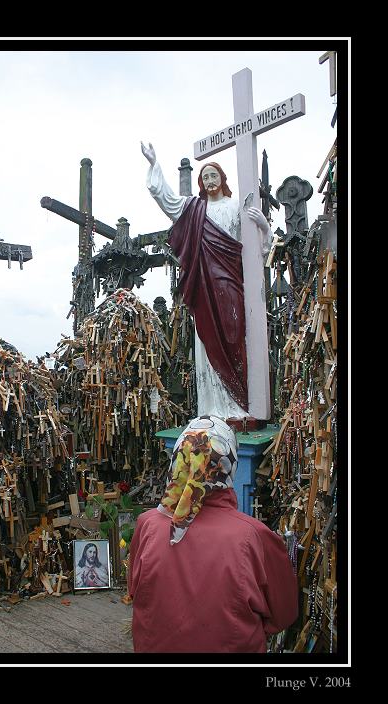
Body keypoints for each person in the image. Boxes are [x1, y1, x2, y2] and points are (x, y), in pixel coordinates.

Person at [128, 415, 298, 653]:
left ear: (178, 461)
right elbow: (284, 614)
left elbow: (137, 593)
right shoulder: (254, 537)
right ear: (227, 467)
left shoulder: (147, 525)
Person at [141, 142, 273, 420]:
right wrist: (154, 165)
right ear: (201, 183)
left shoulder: (237, 207)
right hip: (204, 284)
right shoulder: (194, 209)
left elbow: (256, 249)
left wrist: (263, 226)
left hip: (229, 283)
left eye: (214, 175)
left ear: (223, 180)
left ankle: (240, 405)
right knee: (206, 339)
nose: (210, 181)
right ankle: (212, 408)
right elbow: (167, 201)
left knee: (235, 334)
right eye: (206, 177)